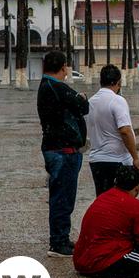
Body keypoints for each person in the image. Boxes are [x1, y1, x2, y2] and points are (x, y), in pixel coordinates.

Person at [37, 51, 89, 257]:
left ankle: (62, 238)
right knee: (62, 198)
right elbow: (83, 107)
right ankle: (58, 243)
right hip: (62, 152)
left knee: (62, 197)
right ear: (63, 68)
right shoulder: (57, 87)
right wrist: (82, 98)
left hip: (57, 149)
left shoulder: (47, 86)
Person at [86, 65, 139, 196]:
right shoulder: (117, 101)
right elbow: (125, 131)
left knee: (103, 199)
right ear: (118, 82)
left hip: (97, 161)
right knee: (121, 200)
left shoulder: (90, 102)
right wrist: (135, 158)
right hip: (117, 161)